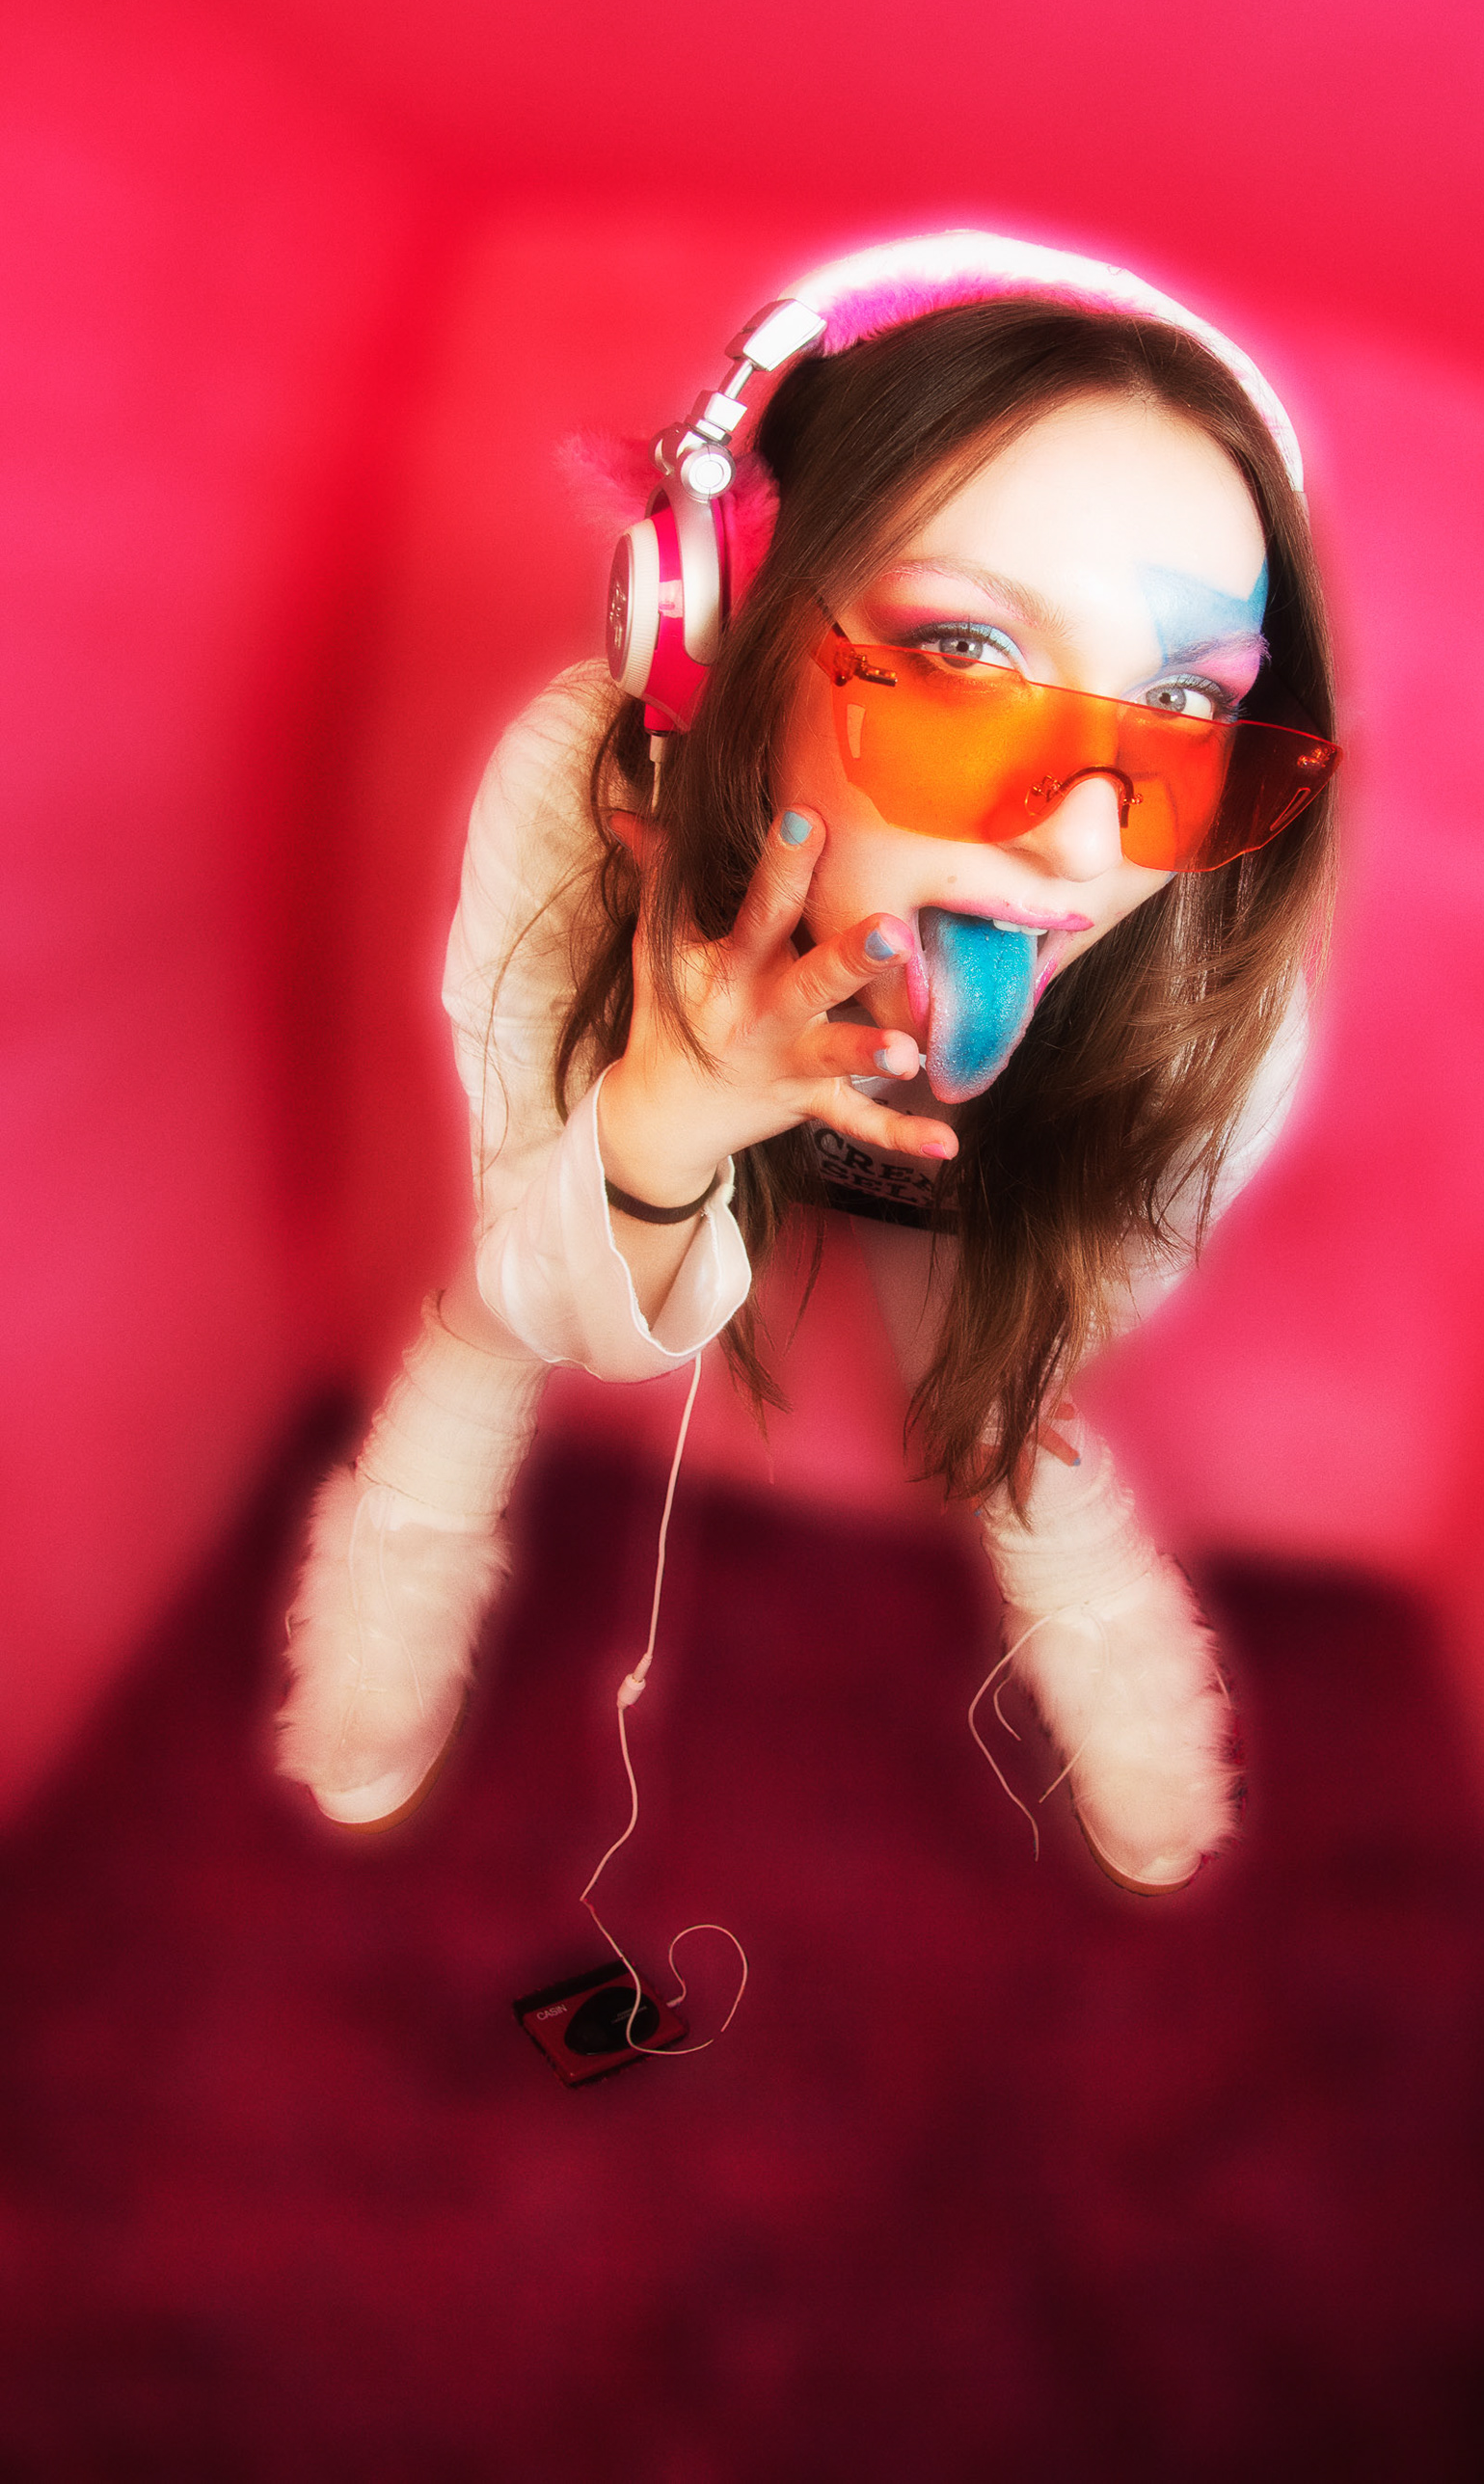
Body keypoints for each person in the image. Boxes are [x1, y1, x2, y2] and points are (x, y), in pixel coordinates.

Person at [277, 232, 1339, 1894]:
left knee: (999, 1378)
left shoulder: (1212, 974)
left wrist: (993, 1343)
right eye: (968, 653)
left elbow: (1104, 1271)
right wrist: (662, 1125)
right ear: (715, 626)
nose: (1083, 838)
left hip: (961, 1194)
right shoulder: (576, 806)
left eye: (1185, 705)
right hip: (628, 1100)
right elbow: (540, 1224)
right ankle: (418, 1506)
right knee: (503, 1293)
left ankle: (1080, 1578)